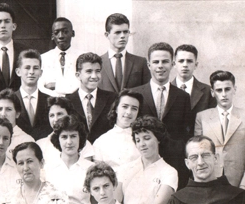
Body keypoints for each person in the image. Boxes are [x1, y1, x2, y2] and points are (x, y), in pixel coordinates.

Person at [132, 42, 193, 188]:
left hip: (174, 162)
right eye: (156, 62)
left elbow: (186, 132)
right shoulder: (136, 94)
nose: (160, 66)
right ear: (148, 65)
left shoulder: (183, 96)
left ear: (172, 64)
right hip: (143, 161)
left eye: (165, 61)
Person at [194, 71, 245, 193]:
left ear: (234, 89)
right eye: (219, 90)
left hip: (237, 184)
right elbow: (198, 152)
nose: (224, 94)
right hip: (209, 182)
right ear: (212, 93)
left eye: (227, 89)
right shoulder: (202, 117)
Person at [42, 115, 93, 204]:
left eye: (73, 136)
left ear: (80, 138)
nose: (69, 142)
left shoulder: (91, 169)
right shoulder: (48, 169)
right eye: (64, 137)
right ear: (58, 140)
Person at [66, 53, 117, 143]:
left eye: (97, 71)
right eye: (89, 71)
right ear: (78, 75)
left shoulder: (112, 98)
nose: (94, 76)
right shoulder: (67, 101)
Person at [98, 13, 151, 93]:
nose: (122, 36)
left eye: (125, 32)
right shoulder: (98, 63)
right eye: (117, 32)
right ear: (107, 35)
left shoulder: (140, 62)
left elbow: (147, 92)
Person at [92, 90, 142, 172]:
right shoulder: (101, 142)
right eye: (125, 106)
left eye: (134, 108)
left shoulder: (143, 139)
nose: (129, 112)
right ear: (116, 109)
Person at [36, 97, 95, 163]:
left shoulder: (84, 144)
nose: (55, 119)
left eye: (59, 114)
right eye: (52, 115)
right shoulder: (40, 144)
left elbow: (86, 169)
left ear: (69, 115)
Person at [37, 17, 80, 97]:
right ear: (52, 36)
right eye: (56, 33)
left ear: (73, 33)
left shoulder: (81, 57)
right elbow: (40, 87)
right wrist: (60, 96)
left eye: (65, 31)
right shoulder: (43, 58)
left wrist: (56, 86)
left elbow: (81, 85)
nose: (61, 36)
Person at [14, 50, 52, 140]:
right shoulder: (10, 100)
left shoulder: (50, 101)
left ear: (41, 72)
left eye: (35, 68)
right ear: (18, 72)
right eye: (27, 68)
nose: (31, 72)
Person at [171, 44, 216, 119]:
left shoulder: (208, 92)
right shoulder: (167, 90)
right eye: (181, 61)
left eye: (189, 61)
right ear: (174, 64)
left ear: (196, 65)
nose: (185, 65)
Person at [0, 89, 35, 159]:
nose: (3, 114)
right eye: (0, 109)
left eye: (8, 109)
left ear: (17, 114)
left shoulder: (26, 140)